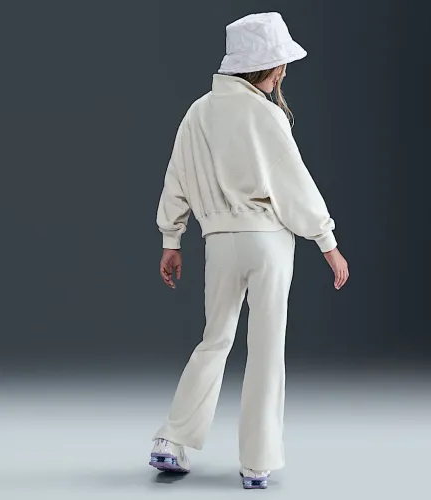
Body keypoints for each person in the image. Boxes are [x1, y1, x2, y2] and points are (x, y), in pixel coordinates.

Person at [148, 12, 349, 490]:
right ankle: (256, 463)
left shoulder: (198, 112)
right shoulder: (266, 114)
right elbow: (294, 184)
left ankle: (172, 440)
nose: (284, 72)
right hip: (267, 241)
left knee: (214, 340)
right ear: (270, 67)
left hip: (219, 242)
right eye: (281, 64)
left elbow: (177, 178)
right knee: (266, 349)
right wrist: (328, 242)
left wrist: (171, 240)